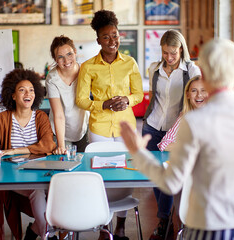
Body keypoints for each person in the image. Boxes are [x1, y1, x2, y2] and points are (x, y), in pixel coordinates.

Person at [120, 38, 234, 240]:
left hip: (210, 227)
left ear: (203, 73)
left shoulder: (194, 121)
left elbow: (171, 183)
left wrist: (138, 153)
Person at [76, 10, 143, 240]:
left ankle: (121, 225)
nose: (112, 41)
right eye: (106, 37)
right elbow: (81, 100)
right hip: (100, 129)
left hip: (126, 127)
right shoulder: (88, 67)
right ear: (98, 40)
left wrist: (127, 100)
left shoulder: (130, 63)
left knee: (125, 175)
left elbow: (139, 94)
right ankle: (105, 226)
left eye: (115, 35)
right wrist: (103, 104)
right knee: (102, 177)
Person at [0, 69, 56, 240]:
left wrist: (16, 151)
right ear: (13, 96)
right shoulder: (3, 118)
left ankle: (35, 231)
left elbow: (48, 144)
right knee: (38, 191)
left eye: (31, 90)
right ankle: (47, 235)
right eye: (22, 90)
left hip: (40, 172)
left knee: (59, 194)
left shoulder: (41, 117)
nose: (28, 93)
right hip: (13, 175)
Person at [142, 29, 201, 239]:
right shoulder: (154, 69)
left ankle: (166, 218)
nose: (169, 57)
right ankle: (165, 218)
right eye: (165, 52)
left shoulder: (192, 70)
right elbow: (153, 98)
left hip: (176, 130)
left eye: (173, 53)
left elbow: (196, 99)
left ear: (181, 49)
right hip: (152, 127)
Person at [46, 35, 89, 154]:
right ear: (55, 59)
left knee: (83, 165)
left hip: (82, 127)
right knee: (63, 164)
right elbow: (58, 115)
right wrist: (61, 145)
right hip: (60, 131)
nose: (66, 61)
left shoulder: (85, 71)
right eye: (60, 57)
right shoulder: (52, 79)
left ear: (75, 52)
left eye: (69, 54)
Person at [158, 75, 207, 153]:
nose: (199, 95)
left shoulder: (219, 116)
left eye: (203, 90)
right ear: (187, 95)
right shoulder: (185, 117)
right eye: (194, 90)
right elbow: (164, 144)